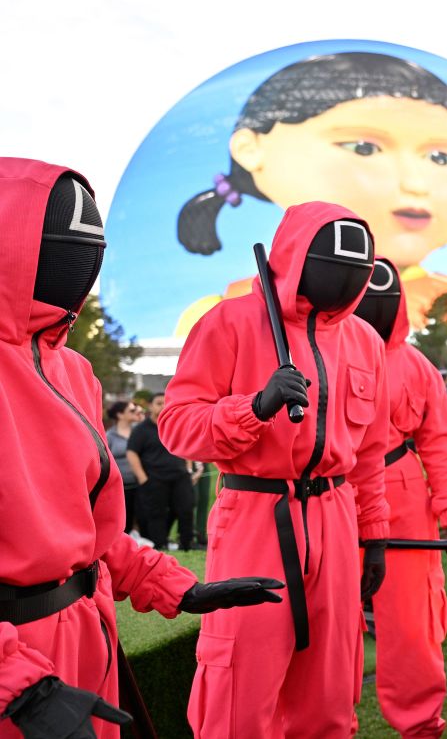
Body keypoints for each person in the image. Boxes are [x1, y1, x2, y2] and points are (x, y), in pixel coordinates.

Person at [0, 157, 283, 739]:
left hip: (87, 633)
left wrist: (180, 587)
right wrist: (19, 688)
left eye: (91, 245)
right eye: (61, 245)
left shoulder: (75, 371)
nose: (81, 260)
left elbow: (94, 535)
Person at [160, 201, 391, 737]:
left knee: (331, 696)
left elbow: (371, 451)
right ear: (296, 254)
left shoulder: (364, 342)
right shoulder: (228, 322)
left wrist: (375, 534)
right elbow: (177, 426)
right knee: (238, 689)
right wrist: (254, 407)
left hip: (337, 521)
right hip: (253, 517)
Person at [176, 51, 447, 331]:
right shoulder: (223, 314)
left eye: (440, 157)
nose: (415, 183)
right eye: (363, 147)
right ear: (250, 149)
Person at [352, 257, 447, 738]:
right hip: (336, 496)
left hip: (403, 495)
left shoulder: (419, 367)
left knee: (411, 624)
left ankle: (421, 727)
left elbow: (439, 445)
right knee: (328, 619)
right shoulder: (320, 355)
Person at [126, 392, 197, 551]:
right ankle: (159, 544)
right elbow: (132, 453)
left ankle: (187, 544)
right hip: (154, 479)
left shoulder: (175, 426)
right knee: (156, 513)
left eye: (166, 403)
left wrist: (189, 469)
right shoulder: (141, 430)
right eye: (159, 403)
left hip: (180, 477)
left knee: (186, 509)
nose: (163, 406)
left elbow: (186, 446)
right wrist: (143, 478)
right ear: (150, 406)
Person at [105, 400, 143, 538]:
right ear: (120, 415)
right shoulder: (109, 436)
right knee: (124, 519)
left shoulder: (138, 431)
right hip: (121, 486)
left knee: (141, 517)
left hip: (140, 483)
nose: (136, 413)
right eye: (132, 411)